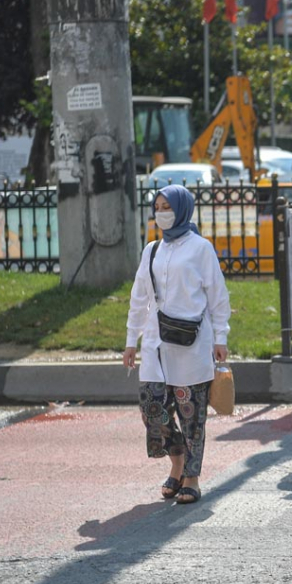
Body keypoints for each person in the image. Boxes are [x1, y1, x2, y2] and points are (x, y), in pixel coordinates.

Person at [123, 185, 231, 505]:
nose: (161, 212)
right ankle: (177, 460)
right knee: (151, 407)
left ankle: (192, 477)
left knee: (191, 412)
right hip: (156, 342)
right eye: (157, 206)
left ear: (182, 209)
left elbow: (217, 297)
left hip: (192, 342)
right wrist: (132, 340)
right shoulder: (152, 250)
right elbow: (139, 297)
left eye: (167, 206)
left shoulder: (200, 248)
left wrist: (221, 337)